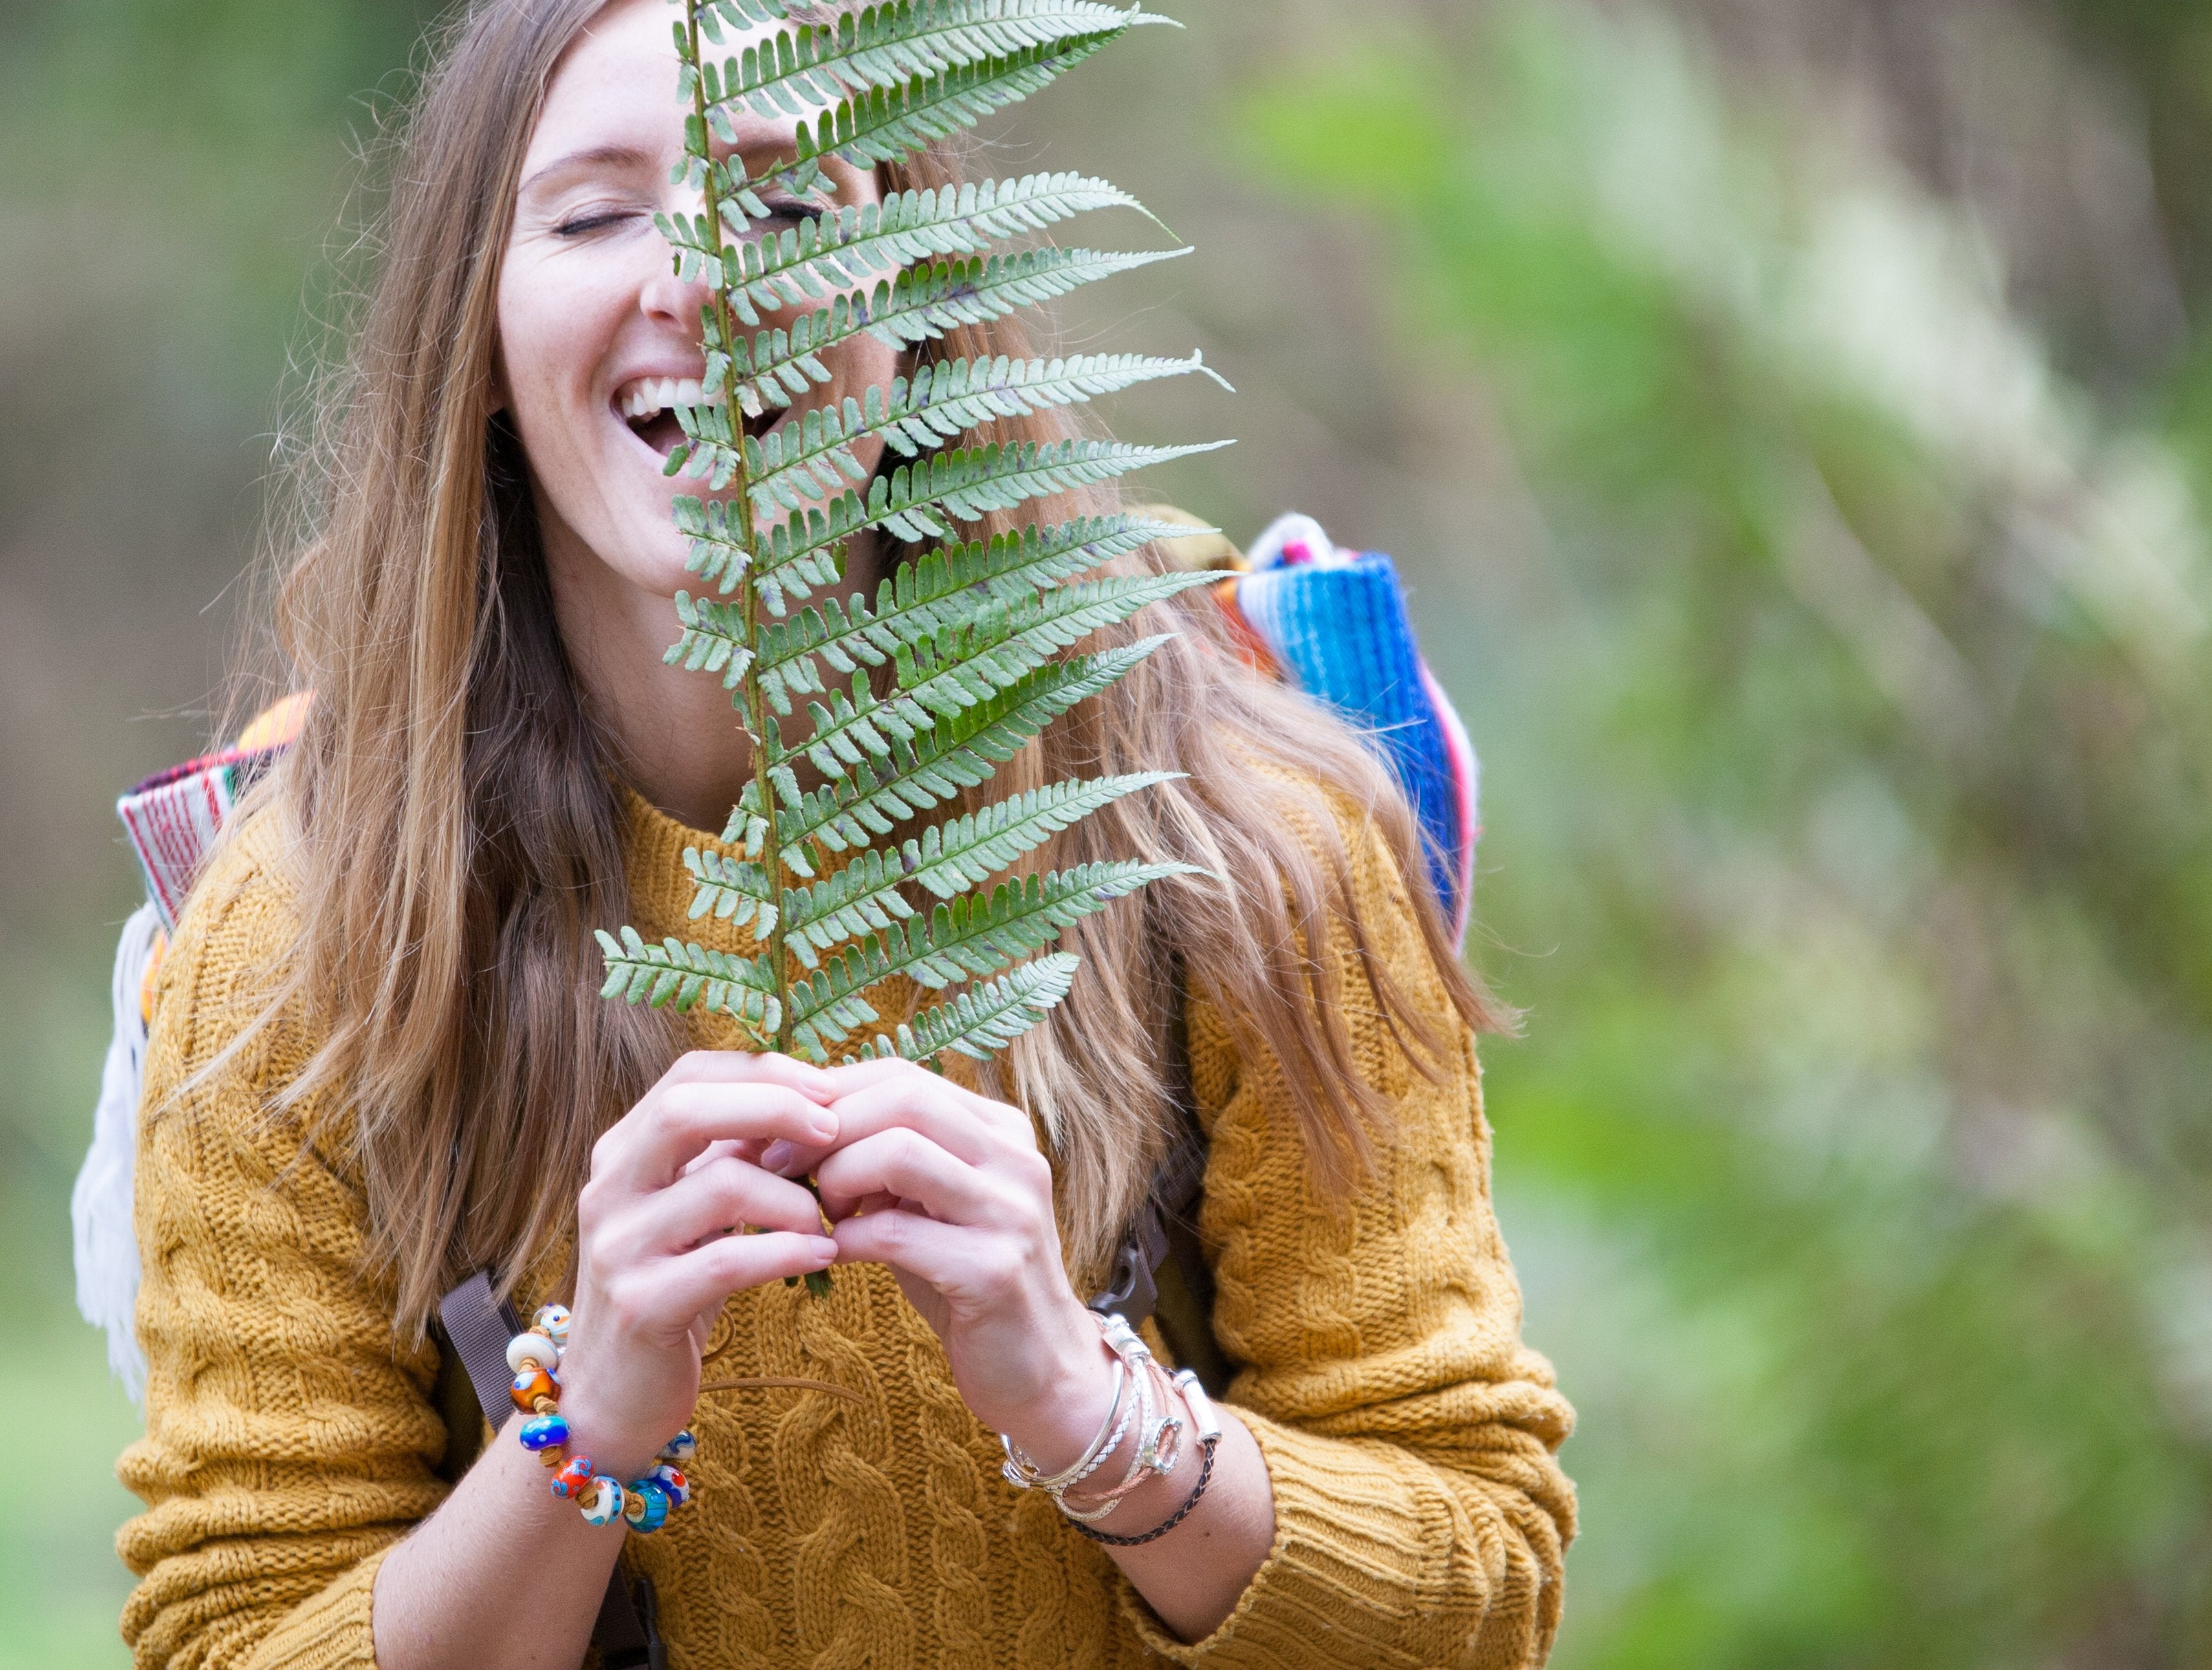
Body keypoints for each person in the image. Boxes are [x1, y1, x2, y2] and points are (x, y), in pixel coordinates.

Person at [113, 1, 1577, 1665]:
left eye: (790, 203)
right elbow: (231, 1637)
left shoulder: (1235, 828)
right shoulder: (310, 939)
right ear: (480, 330)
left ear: (919, 288)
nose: (705, 280)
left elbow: (1482, 1588)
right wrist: (585, 1433)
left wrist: (1085, 1404)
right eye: (596, 211)